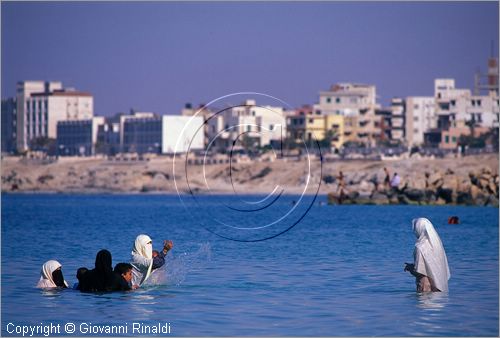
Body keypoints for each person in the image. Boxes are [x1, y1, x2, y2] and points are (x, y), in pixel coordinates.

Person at [404, 218, 451, 292]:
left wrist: (410, 268)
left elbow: (420, 272)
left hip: (426, 289)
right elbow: (431, 267)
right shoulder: (436, 245)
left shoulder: (420, 247)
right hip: (439, 288)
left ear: (418, 229)